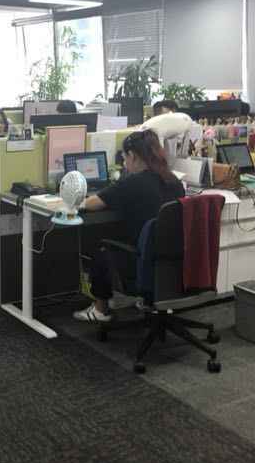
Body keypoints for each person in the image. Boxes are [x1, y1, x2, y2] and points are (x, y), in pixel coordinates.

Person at [73, 129, 185, 323]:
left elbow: (91, 204)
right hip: (173, 261)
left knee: (100, 246)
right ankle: (150, 301)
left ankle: (100, 310)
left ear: (132, 156)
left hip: (142, 262)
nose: (124, 163)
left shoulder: (132, 182)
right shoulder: (173, 180)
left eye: (124, 158)